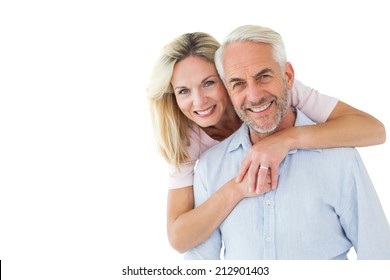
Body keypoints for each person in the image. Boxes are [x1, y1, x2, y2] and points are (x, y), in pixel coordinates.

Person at [147, 32, 386, 254]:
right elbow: (179, 238)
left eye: (208, 83)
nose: (199, 101)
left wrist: (285, 140)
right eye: (183, 91)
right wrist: (237, 188)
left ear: (224, 76)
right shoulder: (189, 143)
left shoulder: (277, 90)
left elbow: (374, 130)